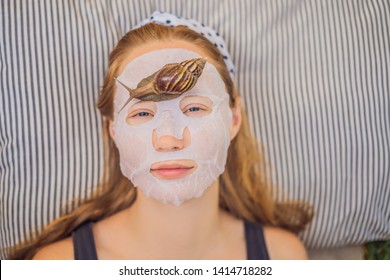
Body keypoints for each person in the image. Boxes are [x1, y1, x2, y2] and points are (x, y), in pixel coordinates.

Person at [9, 13, 312, 260]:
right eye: (142, 114)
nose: (168, 140)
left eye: (194, 108)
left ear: (234, 119)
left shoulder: (283, 257)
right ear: (113, 130)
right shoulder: (59, 266)